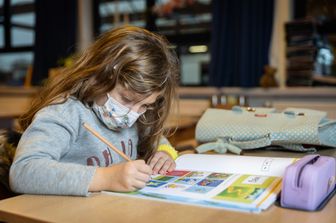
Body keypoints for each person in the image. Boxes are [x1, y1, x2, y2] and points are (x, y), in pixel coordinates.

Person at [9, 25, 180, 196]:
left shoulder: (136, 115)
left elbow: (156, 138)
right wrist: (105, 178)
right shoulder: (65, 113)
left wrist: (163, 153)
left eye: (145, 105)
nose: (132, 115)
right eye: (126, 99)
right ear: (99, 77)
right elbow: (22, 172)